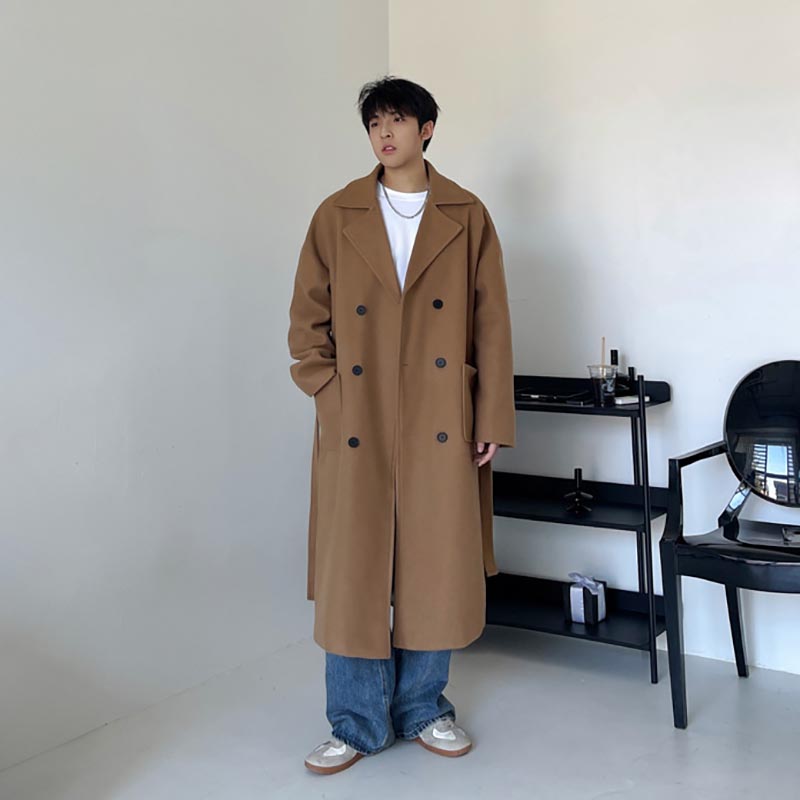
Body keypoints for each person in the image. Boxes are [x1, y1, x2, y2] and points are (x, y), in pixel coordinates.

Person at [287, 75, 516, 775]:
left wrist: (488, 415)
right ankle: (354, 721)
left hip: (439, 415)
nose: (384, 134)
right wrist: (331, 393)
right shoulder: (337, 214)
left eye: (397, 120)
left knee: (434, 561)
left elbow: (491, 325)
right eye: (374, 123)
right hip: (358, 416)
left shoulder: (467, 214)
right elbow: (307, 322)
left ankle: (423, 707)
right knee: (354, 568)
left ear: (427, 129)